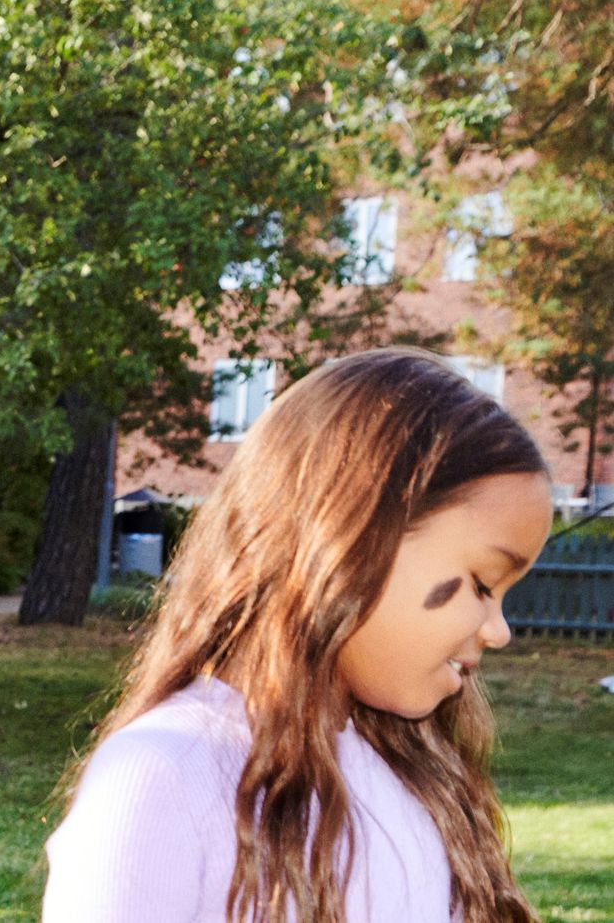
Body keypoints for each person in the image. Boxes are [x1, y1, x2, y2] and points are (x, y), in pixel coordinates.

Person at [44, 348, 545, 923]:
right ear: (347, 537)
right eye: (483, 583)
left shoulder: (417, 782)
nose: (499, 630)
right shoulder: (163, 778)